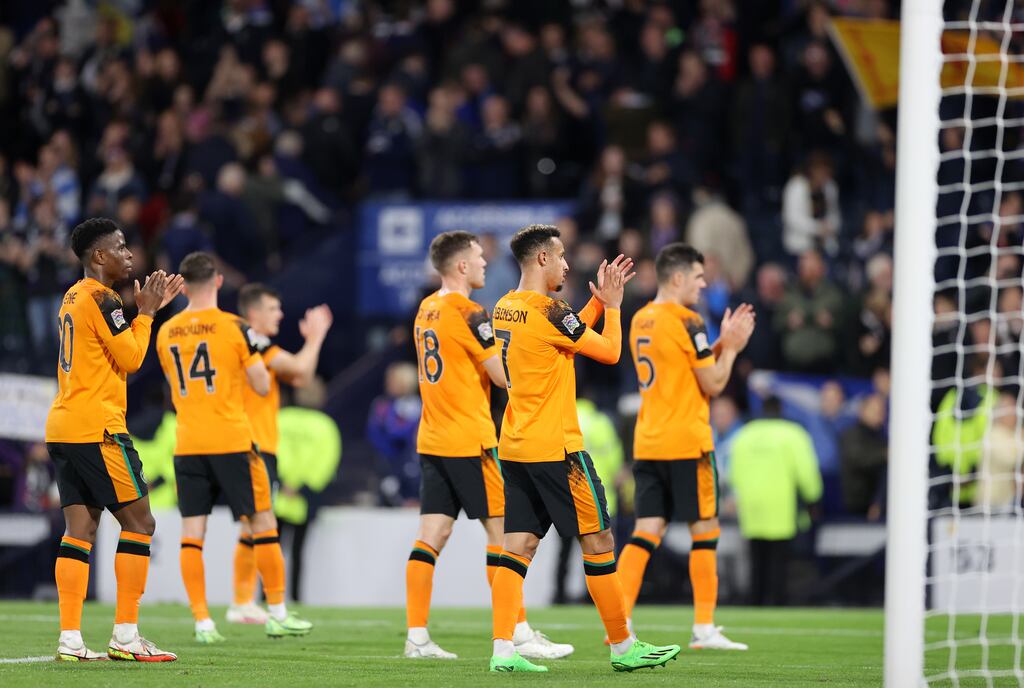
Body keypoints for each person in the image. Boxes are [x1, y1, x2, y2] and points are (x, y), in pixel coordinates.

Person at [489, 224, 681, 673]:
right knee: (599, 541)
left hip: (515, 445)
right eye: (559, 256)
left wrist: (594, 303)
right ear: (541, 260)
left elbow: (561, 331)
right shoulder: (552, 310)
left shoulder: (505, 307)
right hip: (557, 448)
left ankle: (502, 651)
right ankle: (622, 646)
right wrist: (612, 308)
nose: (566, 264)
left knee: (515, 547)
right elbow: (611, 351)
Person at [405, 230, 572, 661]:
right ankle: (516, 630)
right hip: (470, 438)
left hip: (432, 437)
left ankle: (417, 637)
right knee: (504, 536)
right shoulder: (471, 313)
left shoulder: (426, 309)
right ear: (461, 266)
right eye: (478, 258)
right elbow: (503, 376)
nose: (484, 264)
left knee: (432, 535)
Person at [155, 252, 312, 643]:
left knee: (193, 534)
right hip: (232, 439)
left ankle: (202, 622)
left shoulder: (166, 331)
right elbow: (260, 384)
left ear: (184, 284)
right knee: (263, 523)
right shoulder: (234, 327)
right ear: (219, 282)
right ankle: (276, 611)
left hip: (188, 440)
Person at [45, 217, 182, 662]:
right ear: (98, 257)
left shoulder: (71, 296)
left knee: (80, 529)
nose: (130, 254)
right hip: (97, 429)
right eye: (121, 247)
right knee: (141, 524)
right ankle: (125, 635)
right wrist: (147, 312)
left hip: (63, 425)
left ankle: (70, 639)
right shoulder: (104, 299)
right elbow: (133, 357)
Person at [620, 243, 755, 651]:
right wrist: (729, 348)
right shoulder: (689, 320)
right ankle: (704, 628)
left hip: (648, 442)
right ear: (677, 278)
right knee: (705, 532)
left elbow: (679, 369)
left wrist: (716, 348)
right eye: (698, 276)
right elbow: (712, 383)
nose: (703, 282)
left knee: (645, 533)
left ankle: (619, 622)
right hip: (687, 442)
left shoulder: (641, 318)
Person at [228, 283, 333, 624]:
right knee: (260, 525)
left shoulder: (232, 344)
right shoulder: (256, 347)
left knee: (249, 527)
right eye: (274, 308)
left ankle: (242, 602)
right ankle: (260, 606)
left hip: (241, 443)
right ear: (254, 313)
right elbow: (301, 373)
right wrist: (315, 337)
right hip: (254, 445)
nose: (280, 314)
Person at [729, 396, 823, 606]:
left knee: (756, 559)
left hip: (751, 506)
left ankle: (755, 601)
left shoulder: (744, 434)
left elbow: (733, 472)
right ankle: (777, 602)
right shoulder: (792, 434)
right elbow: (806, 472)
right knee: (779, 560)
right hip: (781, 506)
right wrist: (813, 498)